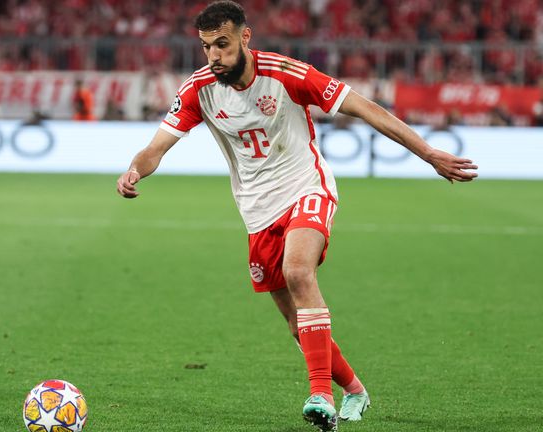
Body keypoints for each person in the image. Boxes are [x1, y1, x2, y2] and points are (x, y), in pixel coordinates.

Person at [116, 1, 478, 431]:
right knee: (295, 323)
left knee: (299, 272)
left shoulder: (287, 73)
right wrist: (136, 168)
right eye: (207, 46)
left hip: (307, 187)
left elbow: (366, 109)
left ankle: (320, 394)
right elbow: (156, 147)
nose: (214, 55)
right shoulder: (199, 90)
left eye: (223, 44)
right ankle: (355, 390)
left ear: (244, 38)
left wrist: (429, 154)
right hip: (256, 210)